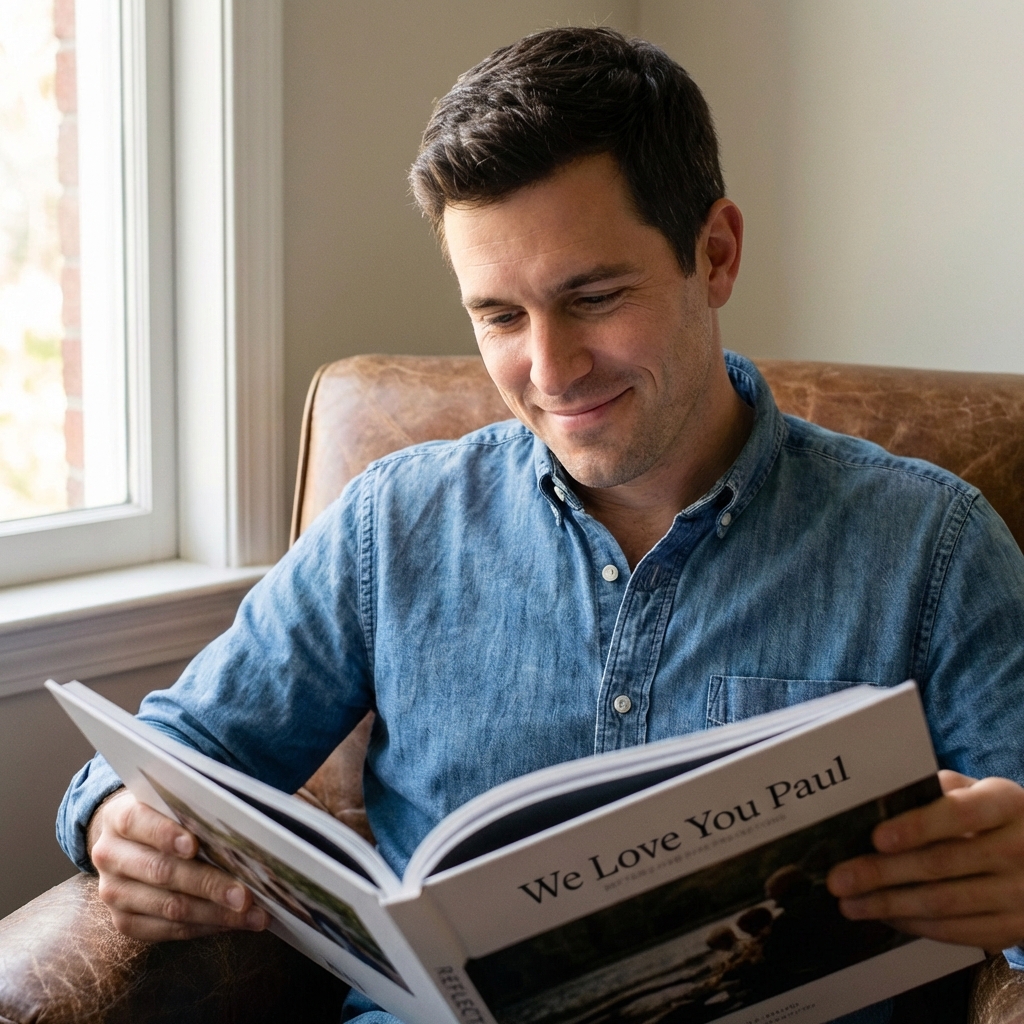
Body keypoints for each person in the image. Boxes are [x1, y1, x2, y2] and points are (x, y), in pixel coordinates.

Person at [58, 26, 1024, 1024]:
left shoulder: (931, 547)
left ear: (716, 253)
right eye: (500, 318)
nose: (552, 372)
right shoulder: (395, 525)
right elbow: (176, 750)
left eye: (593, 298)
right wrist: (116, 818)